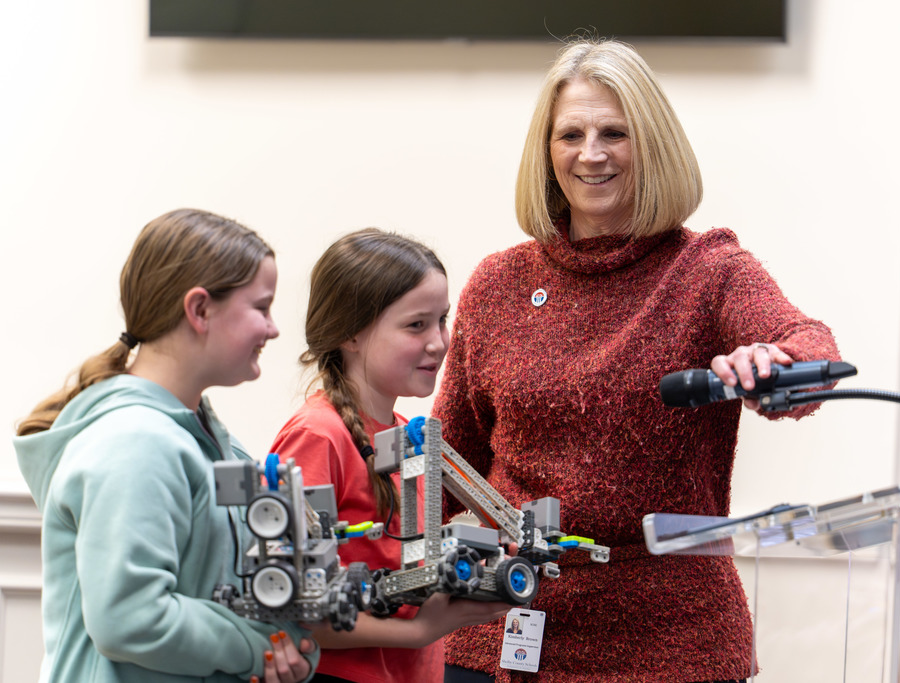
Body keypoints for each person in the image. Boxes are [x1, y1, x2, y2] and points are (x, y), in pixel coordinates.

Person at [433, 38, 842, 683]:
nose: (591, 153)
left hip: (669, 640)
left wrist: (774, 363)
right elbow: (449, 459)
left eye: (614, 133)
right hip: (504, 633)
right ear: (546, 151)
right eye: (571, 133)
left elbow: (810, 346)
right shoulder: (497, 284)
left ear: (651, 143)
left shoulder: (706, 270)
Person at [13, 208, 318, 683]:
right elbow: (132, 618)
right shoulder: (134, 444)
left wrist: (287, 648)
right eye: (261, 307)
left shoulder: (213, 443)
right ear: (199, 310)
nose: (273, 329)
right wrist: (260, 647)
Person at [268, 228, 510, 683]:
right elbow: (305, 609)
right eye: (416, 325)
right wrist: (420, 631)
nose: (439, 342)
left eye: (442, 320)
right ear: (351, 334)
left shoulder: (406, 437)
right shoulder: (317, 438)